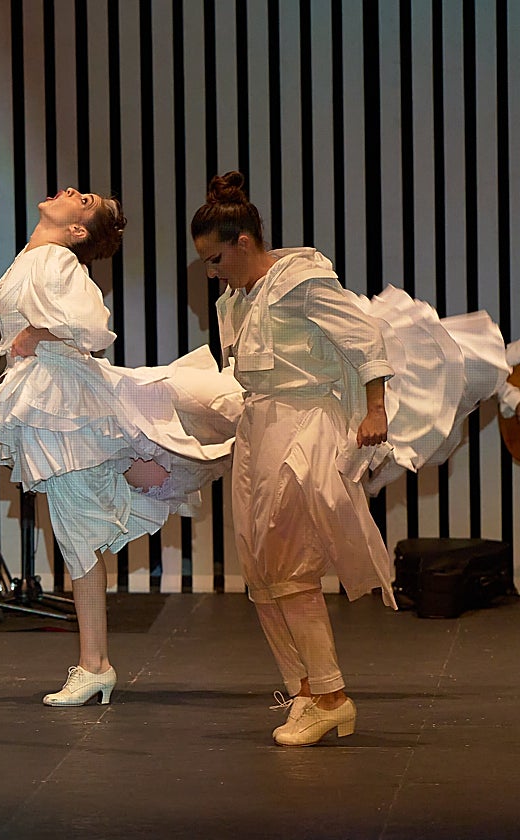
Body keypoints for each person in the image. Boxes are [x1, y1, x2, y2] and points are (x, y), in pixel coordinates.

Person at [190, 171, 505, 746]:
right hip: (259, 427)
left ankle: (331, 695)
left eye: (215, 259)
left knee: (290, 563)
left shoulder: (300, 280)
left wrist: (375, 410)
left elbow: (364, 339)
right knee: (260, 571)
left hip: (306, 426)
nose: (212, 272)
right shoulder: (236, 299)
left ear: (242, 243)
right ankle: (305, 690)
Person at [0, 187, 243, 709]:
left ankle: (95, 665)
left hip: (64, 403)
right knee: (84, 525)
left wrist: (36, 331)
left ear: (78, 231)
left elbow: (92, 326)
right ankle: (94, 663)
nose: (72, 192)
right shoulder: (32, 259)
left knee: (82, 529)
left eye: (84, 201)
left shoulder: (56, 259)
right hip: (52, 400)